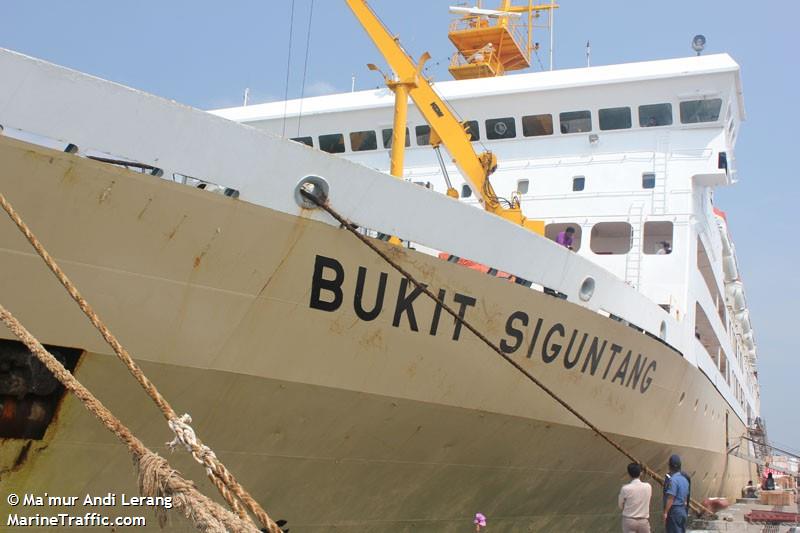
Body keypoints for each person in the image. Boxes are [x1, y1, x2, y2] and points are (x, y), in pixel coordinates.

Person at [619, 463, 652, 533]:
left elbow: (620, 505)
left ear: (629, 474)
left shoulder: (625, 488)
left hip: (629, 520)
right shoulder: (648, 487)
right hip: (643, 521)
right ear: (641, 473)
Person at [663, 454, 690, 533]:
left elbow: (671, 498)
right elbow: (685, 499)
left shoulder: (673, 480)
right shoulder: (685, 479)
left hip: (674, 511)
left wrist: (665, 512)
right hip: (683, 510)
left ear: (670, 466)